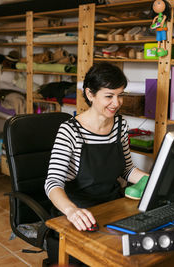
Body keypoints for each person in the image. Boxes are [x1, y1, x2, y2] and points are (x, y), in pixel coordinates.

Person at [45, 62, 149, 232]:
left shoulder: (120, 125)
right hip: (80, 211)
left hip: (113, 205)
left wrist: (156, 181)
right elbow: (53, 183)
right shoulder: (70, 131)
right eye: (109, 96)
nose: (116, 103)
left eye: (120, 95)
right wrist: (71, 211)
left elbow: (127, 169)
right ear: (90, 94)